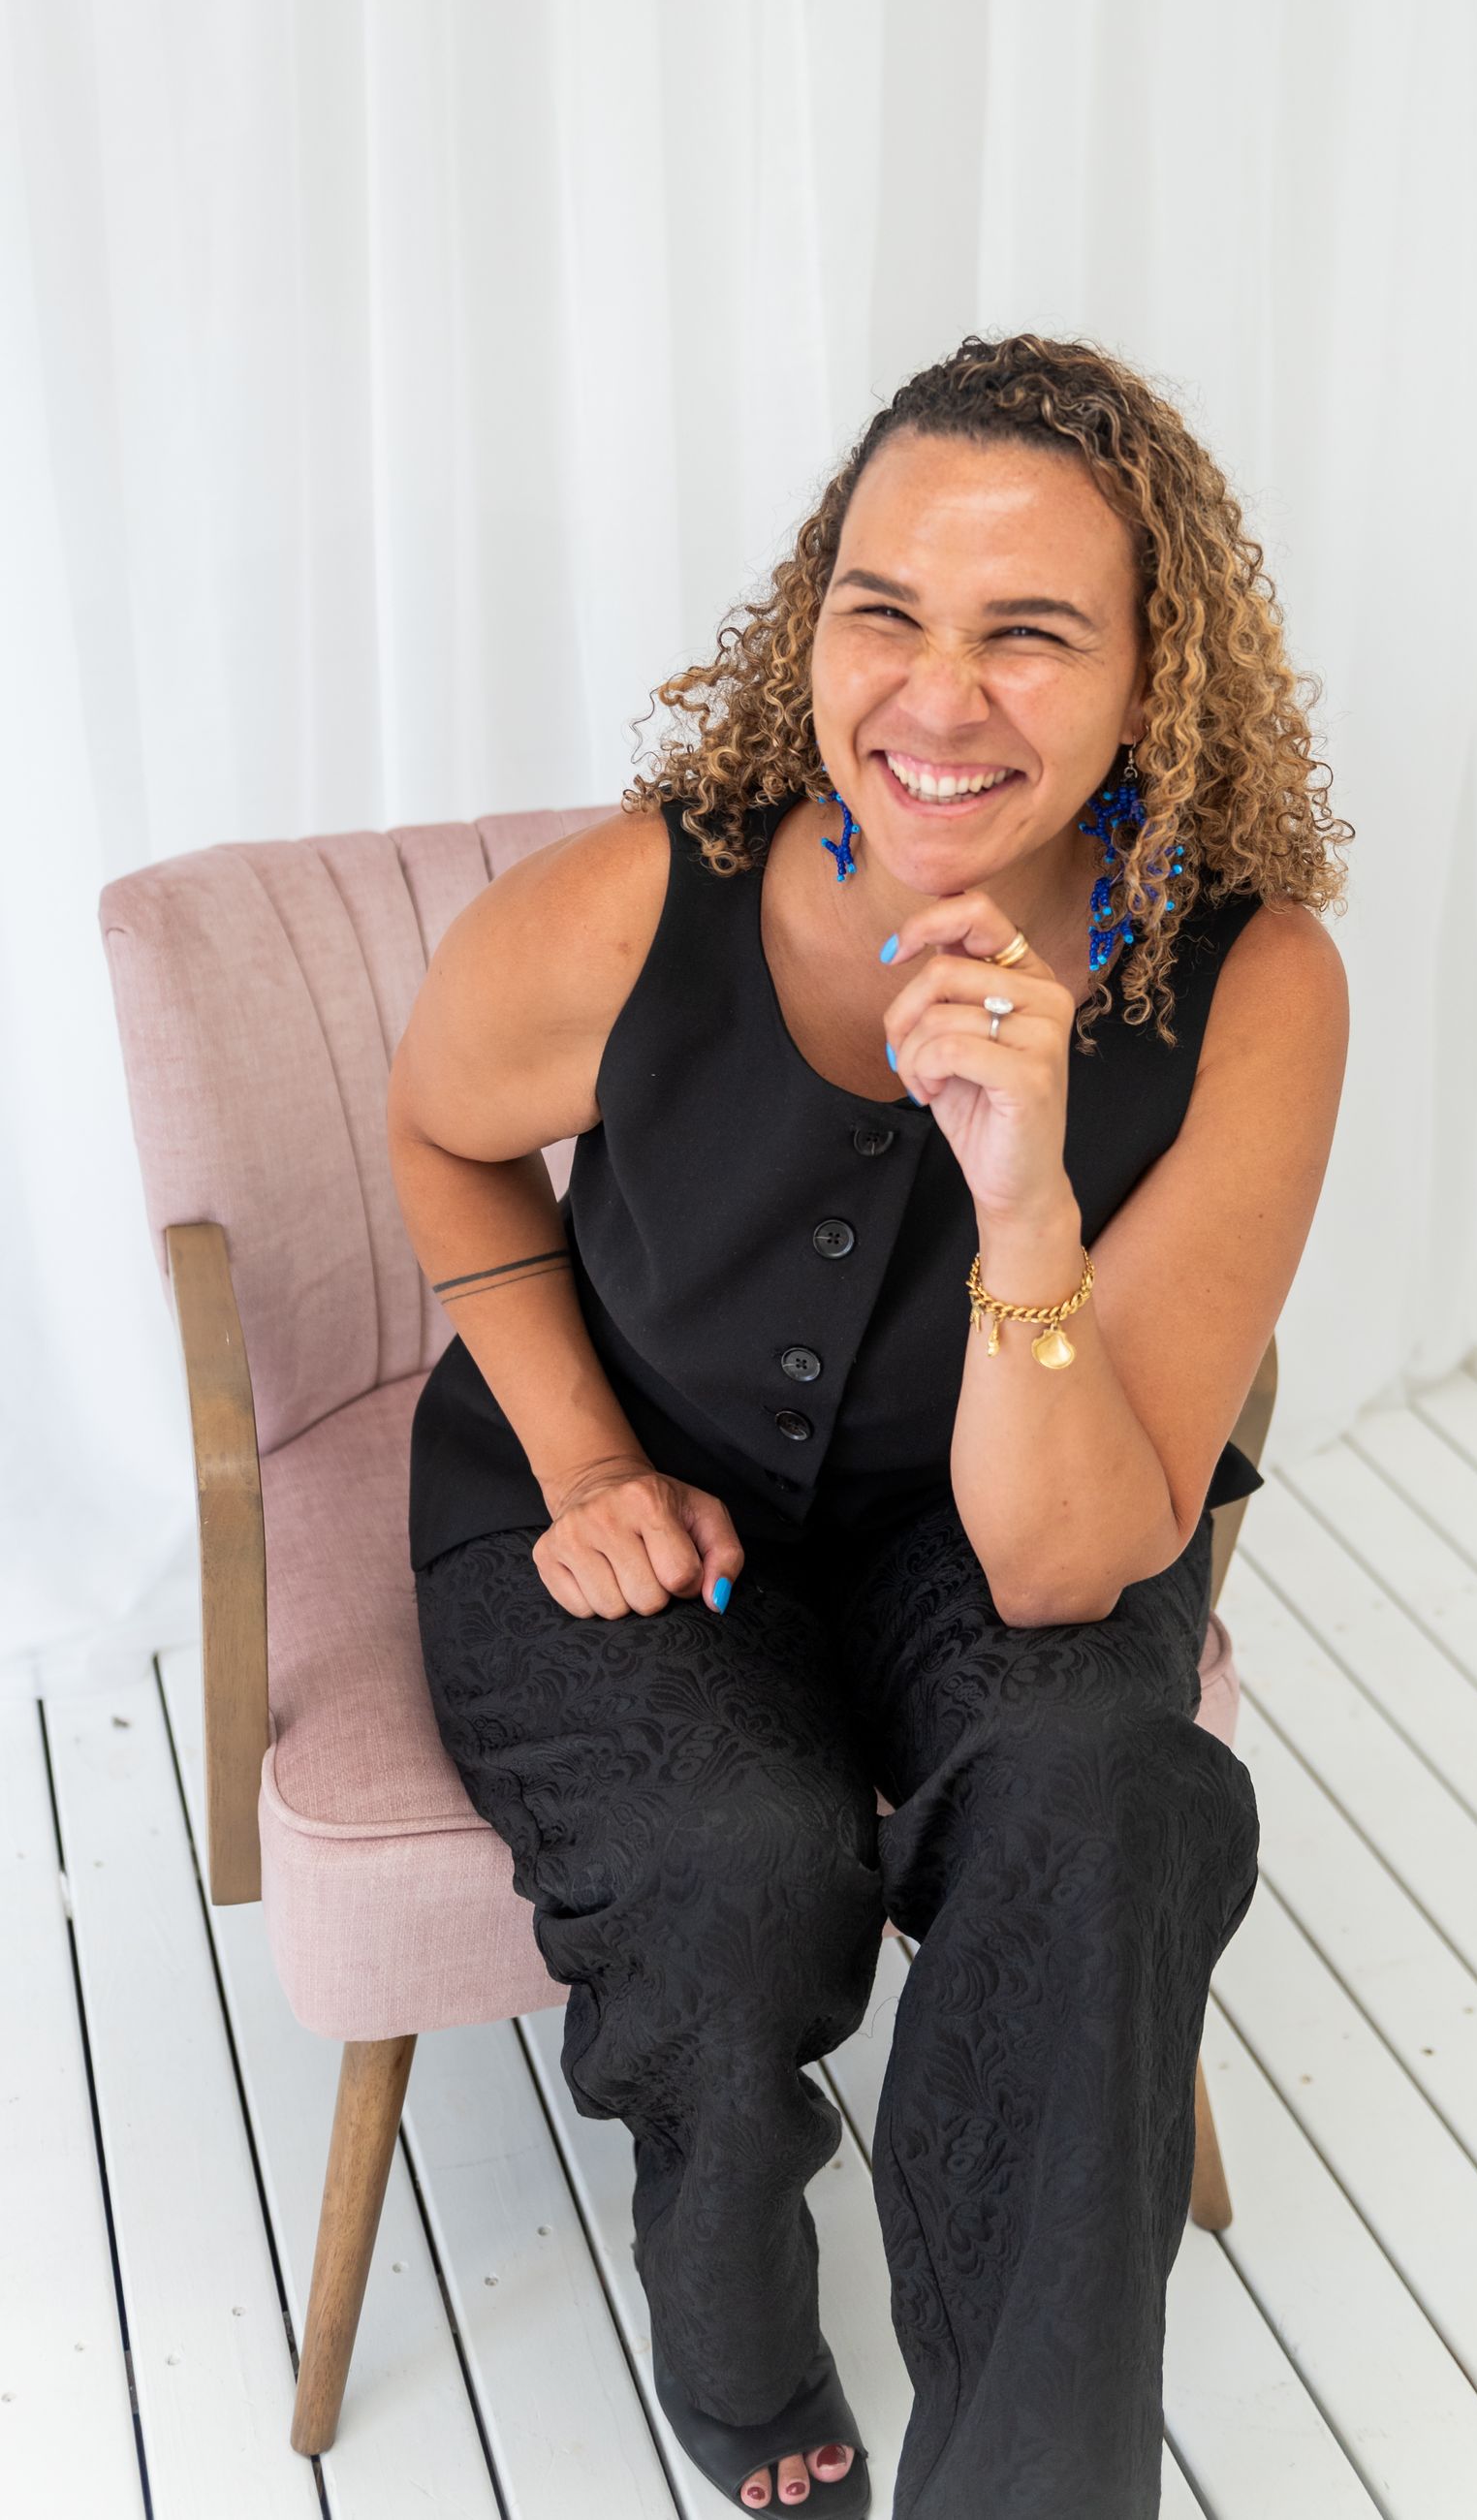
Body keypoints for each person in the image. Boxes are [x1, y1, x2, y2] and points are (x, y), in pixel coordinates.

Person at [389, 332, 1350, 2520]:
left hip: (1014, 1504)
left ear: (1152, 673)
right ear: (812, 620)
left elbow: (1054, 1569)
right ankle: (736, 2339)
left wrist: (1026, 1192)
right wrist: (583, 1459)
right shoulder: (647, 895)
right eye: (884, 611)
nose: (934, 695)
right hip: (633, 1493)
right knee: (727, 1856)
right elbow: (441, 1128)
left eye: (1031, 631)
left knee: (1107, 1789)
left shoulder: (1253, 982)